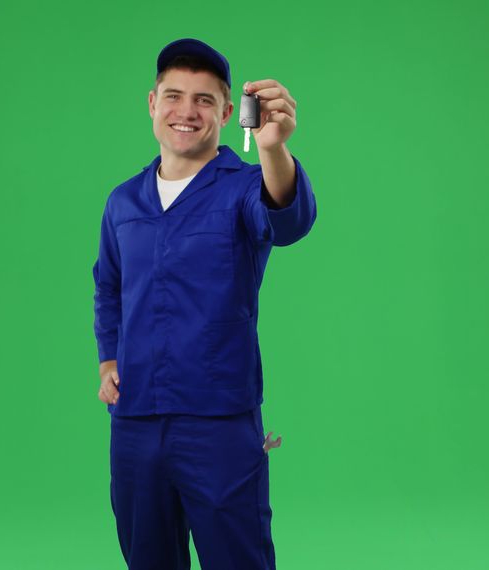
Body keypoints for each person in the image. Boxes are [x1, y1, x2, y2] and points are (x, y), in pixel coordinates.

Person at [92, 37, 316, 570]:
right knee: (146, 557)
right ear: (152, 103)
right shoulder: (124, 201)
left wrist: (272, 148)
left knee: (238, 559)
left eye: (203, 100)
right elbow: (108, 286)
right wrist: (107, 359)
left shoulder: (242, 188)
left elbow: (288, 220)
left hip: (218, 421)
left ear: (225, 112)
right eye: (173, 96)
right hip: (136, 421)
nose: (185, 112)